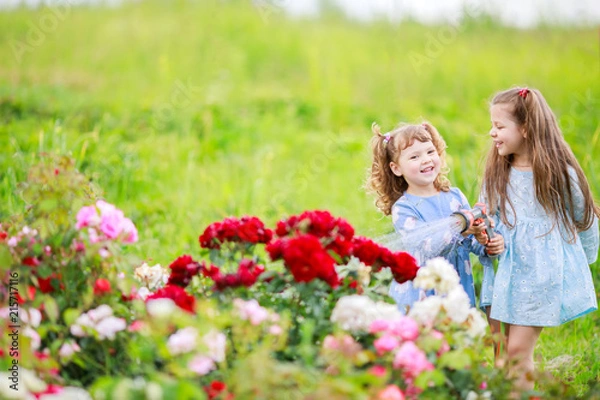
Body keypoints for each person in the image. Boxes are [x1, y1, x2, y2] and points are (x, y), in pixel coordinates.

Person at [480, 86, 599, 390]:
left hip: (541, 275)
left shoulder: (559, 173)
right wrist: (489, 239)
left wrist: (581, 266)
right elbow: (486, 216)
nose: (492, 133)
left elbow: (585, 218)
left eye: (499, 126)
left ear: (526, 128)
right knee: (501, 356)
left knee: (518, 352)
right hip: (506, 272)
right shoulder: (497, 170)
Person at [366, 121, 505, 313]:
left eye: (430, 152)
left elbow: (470, 242)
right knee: (427, 339)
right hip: (423, 294)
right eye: (414, 156)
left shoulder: (454, 197)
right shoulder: (404, 207)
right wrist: (463, 229)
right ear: (396, 168)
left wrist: (485, 242)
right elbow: (428, 246)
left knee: (455, 336)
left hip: (456, 287)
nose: (426, 160)